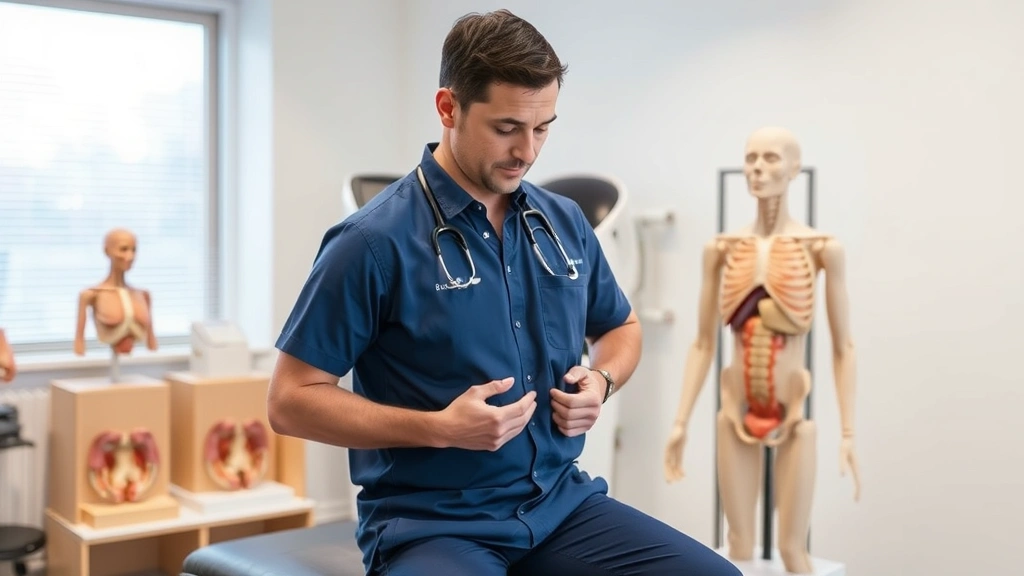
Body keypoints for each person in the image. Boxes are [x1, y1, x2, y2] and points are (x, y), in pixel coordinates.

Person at [268, 9, 740, 576]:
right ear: (449, 108)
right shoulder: (371, 242)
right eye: (507, 128)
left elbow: (621, 327)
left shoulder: (562, 223)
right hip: (434, 527)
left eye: (543, 128)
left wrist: (603, 380)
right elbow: (290, 399)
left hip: (562, 509)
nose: (528, 151)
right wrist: (437, 428)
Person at [663, 126, 860, 573]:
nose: (757, 168)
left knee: (794, 552)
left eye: (771, 158)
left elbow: (843, 346)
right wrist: (680, 423)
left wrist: (848, 434)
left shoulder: (822, 248)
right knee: (739, 547)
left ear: (794, 169)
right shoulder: (721, 248)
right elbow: (702, 342)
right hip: (735, 411)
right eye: (751, 158)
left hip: (794, 415)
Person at [73, 228, 157, 357]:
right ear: (107, 251)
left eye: (133, 250)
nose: (130, 256)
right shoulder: (91, 295)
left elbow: (152, 346)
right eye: (123, 249)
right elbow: (79, 348)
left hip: (131, 371)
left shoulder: (143, 295)